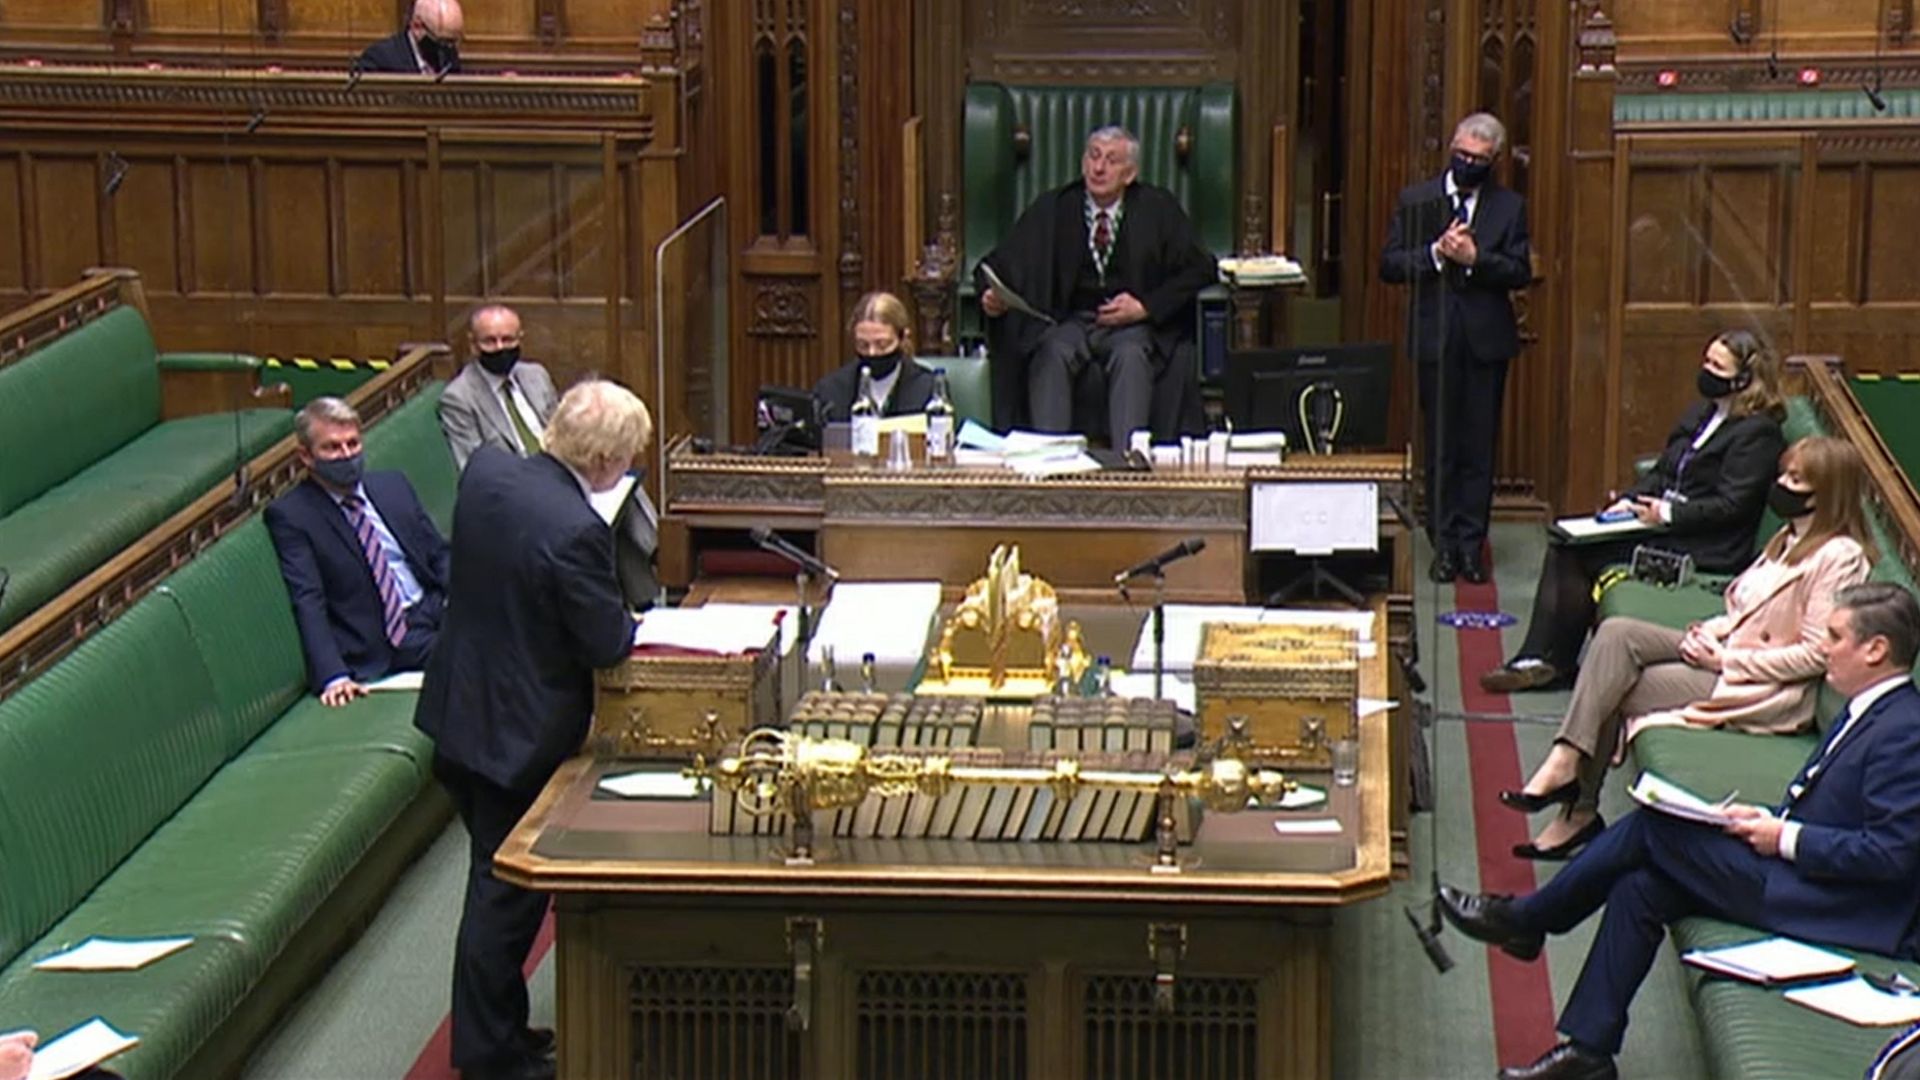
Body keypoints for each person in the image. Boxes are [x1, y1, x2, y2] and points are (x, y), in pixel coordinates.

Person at [1440, 581, 1920, 1080]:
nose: (1823, 646)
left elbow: (1891, 855)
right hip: (1807, 875)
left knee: (1652, 829)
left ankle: (1528, 919)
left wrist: (1784, 838)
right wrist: (1767, 820)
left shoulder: (1904, 730)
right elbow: (1834, 810)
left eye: (1836, 636)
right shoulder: (1870, 708)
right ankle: (1588, 1054)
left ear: (1876, 649)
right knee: (1642, 887)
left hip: (1841, 906)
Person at [414, 380, 648, 1080]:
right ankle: (488, 1057)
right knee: (504, 897)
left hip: (460, 710)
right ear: (605, 461)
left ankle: (503, 1033)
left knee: (491, 886)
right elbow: (607, 641)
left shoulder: (489, 471)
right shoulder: (574, 529)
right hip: (513, 737)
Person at [1500, 435, 1874, 859]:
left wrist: (1726, 658)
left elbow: (1815, 653)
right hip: (1724, 649)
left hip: (1758, 683)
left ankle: (1576, 806)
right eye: (1784, 473)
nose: (1783, 485)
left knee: (1612, 686)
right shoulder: (1788, 538)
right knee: (1617, 634)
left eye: (1796, 479)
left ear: (1829, 492)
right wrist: (1710, 632)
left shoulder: (1839, 556)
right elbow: (1744, 612)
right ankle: (1566, 763)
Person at [1482, 331, 1786, 692]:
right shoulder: (1703, 414)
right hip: (1664, 525)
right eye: (1706, 361)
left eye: (1717, 366)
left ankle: (1550, 662)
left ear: (1743, 380)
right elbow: (1661, 471)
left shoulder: (1758, 434)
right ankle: (1542, 658)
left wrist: (1668, 514)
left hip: (1706, 545)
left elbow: (1732, 506)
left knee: (1578, 552)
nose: (1705, 371)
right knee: (1566, 538)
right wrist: (1629, 500)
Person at [977, 125, 1217, 440]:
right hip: (1070, 322)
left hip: (1131, 327)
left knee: (1131, 357)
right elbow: (998, 265)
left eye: (1111, 160)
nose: (1099, 167)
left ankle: (1127, 465)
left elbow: (1202, 267)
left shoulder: (1158, 208)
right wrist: (990, 297)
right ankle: (1050, 463)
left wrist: (1146, 307)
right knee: (1050, 351)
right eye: (1093, 156)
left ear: (1129, 174)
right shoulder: (1055, 207)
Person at [1380, 112, 1533, 584]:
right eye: (1462, 155)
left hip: (1485, 343)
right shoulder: (1418, 200)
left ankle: (1471, 547)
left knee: (1478, 448)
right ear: (1451, 149)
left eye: (1479, 160)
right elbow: (1389, 263)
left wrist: (1476, 259)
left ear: (1494, 161)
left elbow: (1519, 270)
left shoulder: (1508, 207)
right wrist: (1435, 254)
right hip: (1435, 338)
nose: (1468, 164)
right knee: (1441, 447)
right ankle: (1443, 545)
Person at [437, 304, 660, 610]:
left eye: (508, 339)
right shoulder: (459, 398)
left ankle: (648, 589)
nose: (500, 348)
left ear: (520, 338)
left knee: (624, 488)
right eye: (490, 341)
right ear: (473, 345)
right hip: (521, 490)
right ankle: (615, 604)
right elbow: (473, 468)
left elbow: (565, 431)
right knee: (598, 517)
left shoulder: (534, 376)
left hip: (562, 469)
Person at [266, 397, 450, 706]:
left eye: (353, 444)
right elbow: (308, 598)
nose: (346, 455)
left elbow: (437, 553)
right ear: (306, 456)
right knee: (482, 653)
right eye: (332, 448)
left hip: (434, 606)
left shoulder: (391, 485)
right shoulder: (293, 515)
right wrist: (332, 675)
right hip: (391, 636)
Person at [811, 291, 936, 422]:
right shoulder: (831, 390)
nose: (872, 353)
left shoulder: (927, 388)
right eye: (863, 345)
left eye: (882, 345)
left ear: (902, 338)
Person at [357, 0, 464, 76]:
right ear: (417, 26)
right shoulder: (380, 59)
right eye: (440, 41)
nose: (448, 48)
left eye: (453, 41)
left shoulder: (450, 57)